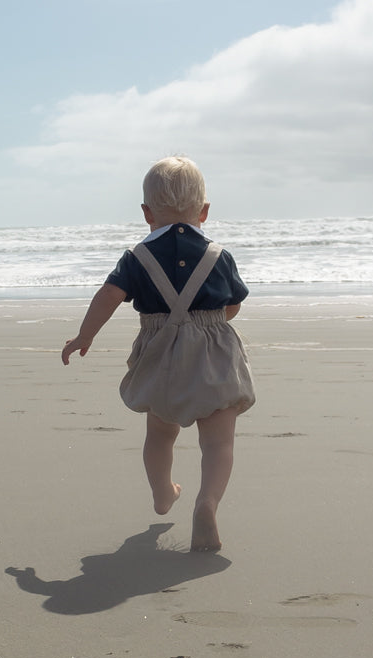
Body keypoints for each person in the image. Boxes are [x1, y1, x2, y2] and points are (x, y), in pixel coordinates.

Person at [61, 156, 255, 552]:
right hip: (213, 352)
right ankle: (207, 503)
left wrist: (85, 335)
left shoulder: (137, 257)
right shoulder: (219, 255)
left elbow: (109, 296)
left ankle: (164, 494)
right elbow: (233, 305)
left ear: (147, 214)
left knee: (160, 435)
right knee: (219, 443)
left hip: (161, 353)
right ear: (204, 211)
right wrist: (209, 320)